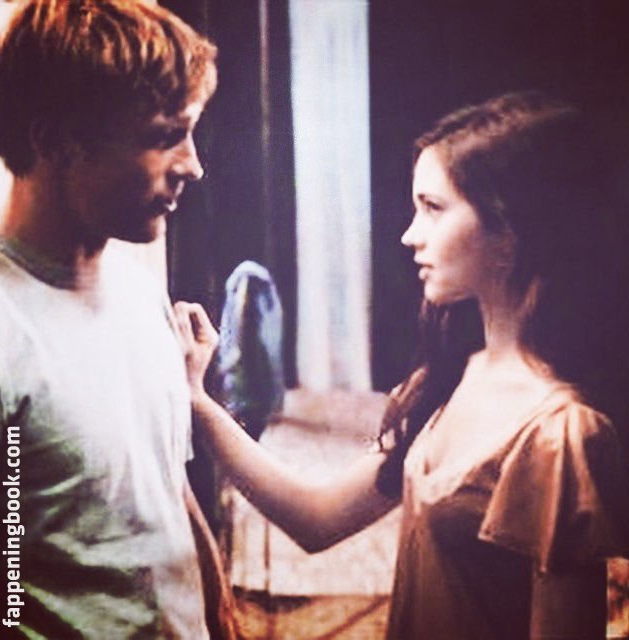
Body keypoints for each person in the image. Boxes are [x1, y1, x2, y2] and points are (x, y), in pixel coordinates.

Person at [176, 92, 629, 639]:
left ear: (508, 233)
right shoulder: (448, 380)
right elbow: (317, 519)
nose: (410, 235)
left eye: (433, 208)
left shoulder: (561, 435)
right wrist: (198, 402)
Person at [0, 1, 237, 638]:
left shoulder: (139, 291)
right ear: (55, 140)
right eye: (165, 136)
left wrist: (221, 616)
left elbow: (168, 491)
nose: (193, 165)